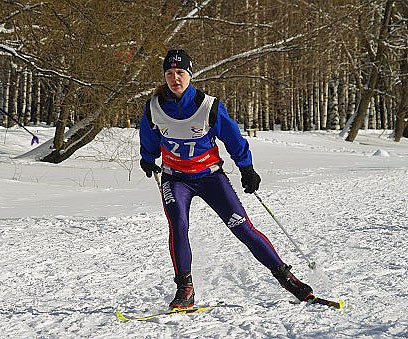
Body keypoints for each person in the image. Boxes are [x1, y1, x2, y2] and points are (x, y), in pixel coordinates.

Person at [139, 49, 313, 309]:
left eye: (180, 73)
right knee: (178, 226)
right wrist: (147, 157)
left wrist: (247, 168)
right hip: (175, 179)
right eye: (169, 73)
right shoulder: (154, 107)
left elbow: (233, 138)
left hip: (210, 177)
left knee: (242, 227)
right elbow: (149, 136)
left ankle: (286, 277)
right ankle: (185, 288)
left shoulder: (208, 106)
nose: (175, 78)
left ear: (190, 74)